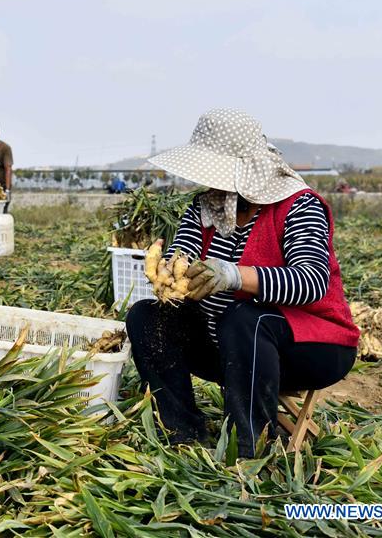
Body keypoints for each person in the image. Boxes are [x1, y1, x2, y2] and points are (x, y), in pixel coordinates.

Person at [126, 108, 359, 459]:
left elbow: (311, 280)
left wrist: (233, 275)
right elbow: (184, 251)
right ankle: (184, 432)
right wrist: (171, 271)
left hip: (311, 345)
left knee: (245, 317)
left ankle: (252, 450)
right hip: (229, 346)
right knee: (147, 316)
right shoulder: (205, 206)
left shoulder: (298, 206)